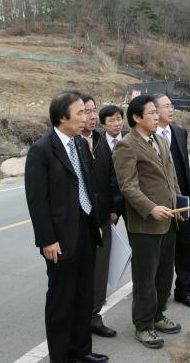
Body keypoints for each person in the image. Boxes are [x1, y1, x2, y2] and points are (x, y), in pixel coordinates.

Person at [25, 91, 108, 363]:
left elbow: (89, 187)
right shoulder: (41, 150)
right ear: (63, 117)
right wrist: (47, 240)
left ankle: (82, 351)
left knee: (84, 296)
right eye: (81, 112)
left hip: (84, 229)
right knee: (62, 301)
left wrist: (95, 223)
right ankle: (61, 357)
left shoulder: (81, 145)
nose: (87, 117)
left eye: (87, 112)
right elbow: (38, 201)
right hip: (59, 238)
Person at [112, 94, 182, 349]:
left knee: (165, 274)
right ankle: (143, 325)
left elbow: (170, 175)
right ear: (136, 117)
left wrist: (178, 204)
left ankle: (158, 314)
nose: (157, 116)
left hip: (169, 219)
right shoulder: (126, 146)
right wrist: (151, 208)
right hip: (145, 224)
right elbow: (128, 186)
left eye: (157, 112)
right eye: (152, 113)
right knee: (145, 278)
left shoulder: (160, 139)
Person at [152, 94, 190, 309]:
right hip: (159, 202)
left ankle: (184, 289)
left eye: (172, 106)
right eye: (166, 106)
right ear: (154, 110)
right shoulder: (148, 135)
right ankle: (156, 292)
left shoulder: (179, 132)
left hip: (182, 199)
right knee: (160, 250)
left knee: (184, 246)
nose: (171, 109)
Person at [80, 94, 119, 338]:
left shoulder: (100, 140)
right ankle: (79, 317)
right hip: (81, 222)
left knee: (100, 271)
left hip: (103, 218)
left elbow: (111, 178)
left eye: (93, 111)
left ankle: (94, 315)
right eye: (85, 111)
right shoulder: (71, 145)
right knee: (81, 272)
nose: (92, 116)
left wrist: (114, 208)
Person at [99, 104, 128, 222]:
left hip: (131, 199)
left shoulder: (132, 139)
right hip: (109, 202)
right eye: (111, 120)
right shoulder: (97, 143)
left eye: (119, 119)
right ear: (103, 124)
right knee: (108, 238)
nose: (117, 124)